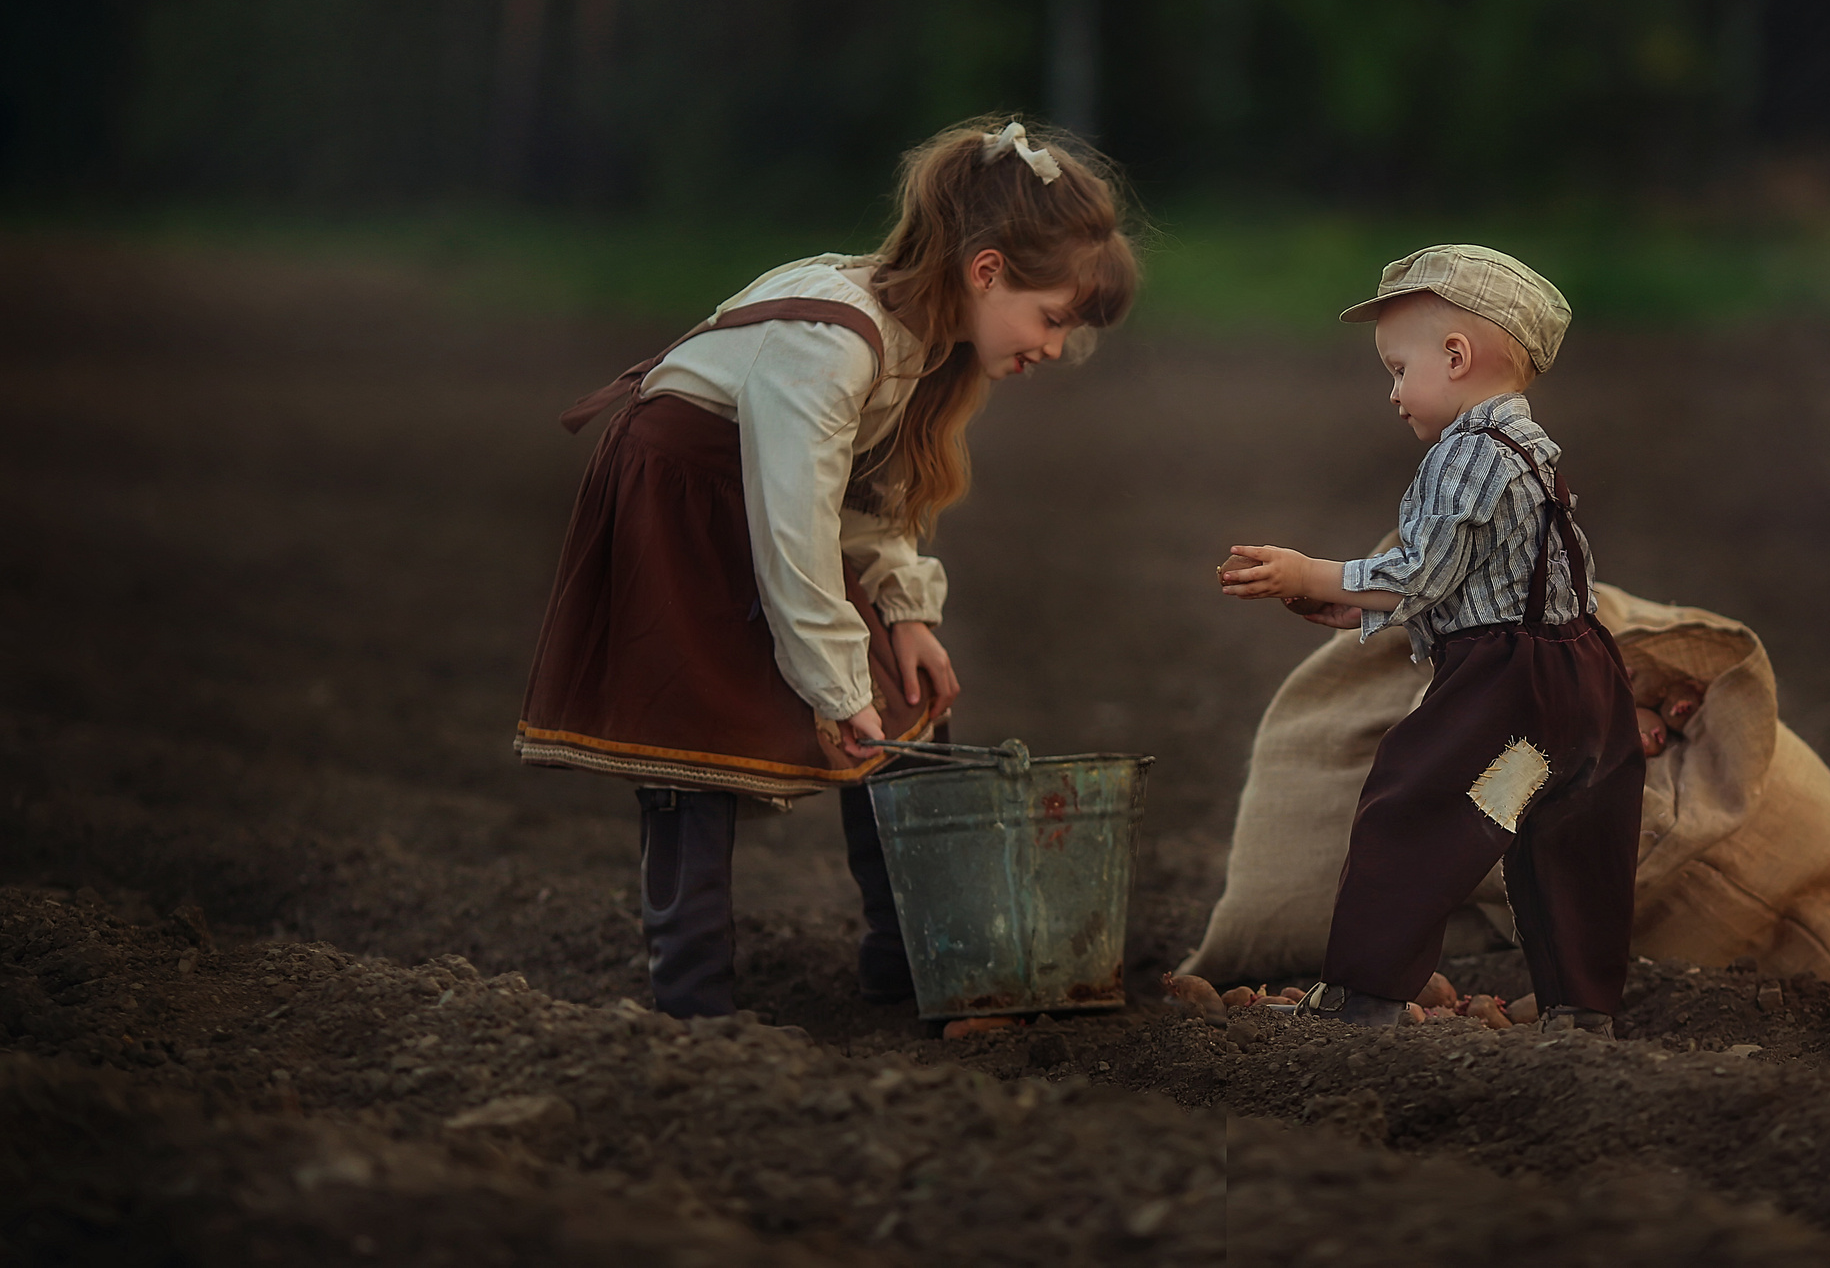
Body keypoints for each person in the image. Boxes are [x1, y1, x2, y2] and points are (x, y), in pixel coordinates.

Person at [517, 118, 1138, 1018]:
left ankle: (912, 970)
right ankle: (692, 1006)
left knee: (903, 693)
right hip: (684, 502)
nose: (1052, 347)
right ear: (988, 270)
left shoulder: (923, 339)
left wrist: (903, 610)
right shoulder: (833, 339)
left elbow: (861, 494)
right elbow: (796, 522)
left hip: (765, 503)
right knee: (694, 739)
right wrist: (834, 685)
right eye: (1052, 318)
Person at [1218, 244, 1644, 1036]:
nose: (1391, 393)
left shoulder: (1465, 455)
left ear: (1455, 356)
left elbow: (1419, 568)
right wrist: (1366, 609)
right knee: (1567, 832)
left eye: (1396, 368)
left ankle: (1366, 993)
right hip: (1582, 676)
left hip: (1508, 686)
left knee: (1416, 808)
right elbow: (1483, 575)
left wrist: (1313, 574)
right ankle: (1583, 1009)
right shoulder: (1531, 449)